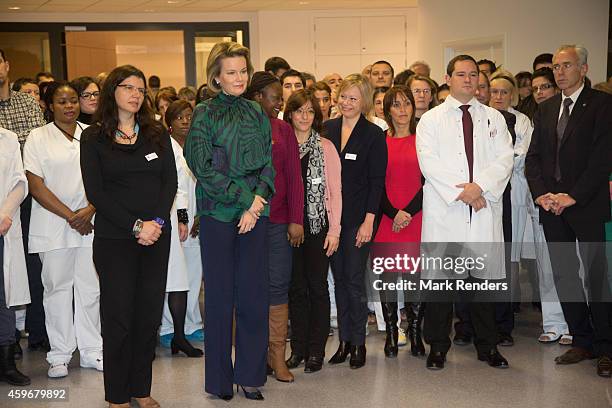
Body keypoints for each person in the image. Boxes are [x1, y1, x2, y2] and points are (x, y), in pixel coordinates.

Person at [80, 64, 177, 407]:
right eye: (128, 88)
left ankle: (141, 389)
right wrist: (136, 226)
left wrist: (156, 224)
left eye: (140, 89)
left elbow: (170, 182)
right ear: (113, 92)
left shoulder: (155, 133)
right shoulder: (93, 137)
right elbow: (97, 193)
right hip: (115, 241)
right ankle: (117, 395)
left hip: (156, 236)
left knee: (147, 316)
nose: (136, 94)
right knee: (119, 318)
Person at [184, 42, 275, 401]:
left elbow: (269, 163)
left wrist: (255, 206)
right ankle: (219, 381)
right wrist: (245, 202)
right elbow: (202, 166)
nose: (239, 78)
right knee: (220, 300)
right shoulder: (204, 113)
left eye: (243, 71)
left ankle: (251, 375)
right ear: (217, 77)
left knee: (254, 298)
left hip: (256, 215)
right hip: (219, 215)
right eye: (231, 72)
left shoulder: (256, 111)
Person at [416, 54, 513, 370]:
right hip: (448, 211)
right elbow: (429, 164)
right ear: (447, 79)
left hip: (482, 208)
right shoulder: (431, 120)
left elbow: (505, 159)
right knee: (441, 287)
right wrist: (467, 193)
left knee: (482, 286)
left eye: (473, 75)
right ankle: (438, 347)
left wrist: (480, 187)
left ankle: (488, 347)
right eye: (461, 74)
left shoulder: (494, 118)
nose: (468, 80)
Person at [525, 45, 612, 378]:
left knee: (596, 276)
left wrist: (572, 196)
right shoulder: (545, 109)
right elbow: (533, 159)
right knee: (564, 274)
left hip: (586, 205)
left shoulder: (602, 106)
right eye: (556, 67)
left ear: (584, 69)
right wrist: (541, 195)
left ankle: (606, 346)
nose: (559, 72)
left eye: (566, 65)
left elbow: (602, 159)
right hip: (552, 208)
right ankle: (583, 339)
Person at [23, 81, 103, 378]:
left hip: (90, 222)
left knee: (90, 288)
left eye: (73, 101)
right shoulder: (37, 137)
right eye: (62, 101)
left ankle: (93, 350)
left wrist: (90, 209)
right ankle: (59, 354)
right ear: (49, 105)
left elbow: (106, 177)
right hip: (54, 224)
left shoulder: (92, 135)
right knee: (56, 290)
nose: (69, 106)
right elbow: (35, 184)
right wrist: (72, 216)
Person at [324, 74, 387, 369]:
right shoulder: (327, 129)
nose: (346, 103)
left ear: (364, 101)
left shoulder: (374, 134)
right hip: (331, 219)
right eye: (343, 97)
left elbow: (377, 183)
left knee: (354, 280)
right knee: (339, 280)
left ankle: (359, 342)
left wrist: (369, 221)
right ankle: (344, 341)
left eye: (353, 98)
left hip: (358, 219)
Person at [245, 71, 304, 383]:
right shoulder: (240, 127)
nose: (280, 101)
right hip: (247, 221)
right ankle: (253, 357)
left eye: (281, 96)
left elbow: (294, 177)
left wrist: (296, 219)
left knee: (279, 287)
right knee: (251, 289)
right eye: (274, 96)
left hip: (279, 222)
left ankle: (277, 357)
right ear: (257, 97)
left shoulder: (283, 129)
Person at [283, 89, 341, 373]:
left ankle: (316, 351)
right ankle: (298, 350)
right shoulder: (281, 145)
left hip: (319, 227)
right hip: (289, 228)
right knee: (296, 289)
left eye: (309, 111)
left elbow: (336, 192)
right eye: (299, 111)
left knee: (317, 286)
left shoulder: (326, 147)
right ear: (290, 114)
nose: (304, 116)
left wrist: (336, 230)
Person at [0, 49, 48, 356]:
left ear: (6, 65)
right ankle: (9, 334)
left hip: (26, 193)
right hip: (3, 190)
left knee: (30, 267)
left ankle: (35, 331)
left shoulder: (26, 102)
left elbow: (35, 147)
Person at [522, 67, 572, 345]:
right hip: (544, 202)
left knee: (574, 267)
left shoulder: (576, 115)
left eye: (546, 87)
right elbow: (533, 161)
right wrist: (543, 195)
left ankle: (574, 322)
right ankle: (553, 322)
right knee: (547, 266)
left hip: (573, 202)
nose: (540, 92)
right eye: (536, 88)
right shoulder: (538, 118)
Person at [374, 85, 424, 358]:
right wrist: (394, 213)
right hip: (387, 218)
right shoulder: (379, 140)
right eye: (396, 104)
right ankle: (392, 334)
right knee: (389, 281)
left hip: (417, 217)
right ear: (387, 109)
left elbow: (431, 180)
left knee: (416, 280)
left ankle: (416, 334)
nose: (402, 110)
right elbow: (375, 183)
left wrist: (408, 212)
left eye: (407, 103)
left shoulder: (424, 139)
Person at [489, 70, 534, 346]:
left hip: (511, 194)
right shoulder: (482, 118)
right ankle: (479, 323)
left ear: (513, 95)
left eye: (504, 92)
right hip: (486, 196)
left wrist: (497, 163)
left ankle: (504, 325)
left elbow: (520, 155)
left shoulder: (523, 121)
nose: (499, 96)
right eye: (494, 91)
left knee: (507, 262)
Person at [158, 100, 203, 359]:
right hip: (175, 221)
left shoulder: (197, 147)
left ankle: (192, 323)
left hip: (197, 222)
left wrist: (199, 216)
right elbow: (177, 188)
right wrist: (184, 218)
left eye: (189, 116)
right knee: (172, 277)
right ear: (170, 122)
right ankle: (168, 328)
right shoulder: (166, 147)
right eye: (180, 117)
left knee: (193, 276)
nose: (186, 121)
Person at [0, 126, 30, 386]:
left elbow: (19, 182)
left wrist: (5, 213)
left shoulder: (7, 138)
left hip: (2, 227)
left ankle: (7, 362)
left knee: (4, 295)